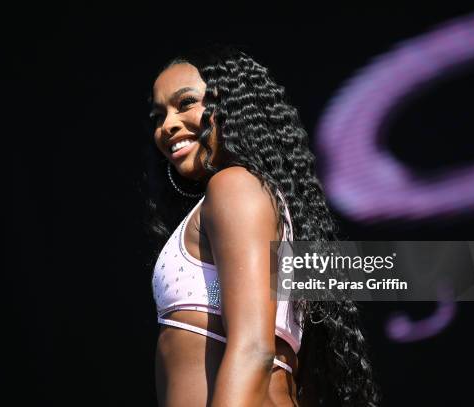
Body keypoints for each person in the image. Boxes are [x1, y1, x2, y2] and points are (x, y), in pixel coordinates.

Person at [142, 44, 380, 406]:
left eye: (186, 103)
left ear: (232, 103)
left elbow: (254, 348)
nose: (168, 125)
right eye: (158, 116)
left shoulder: (233, 185)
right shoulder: (241, 195)